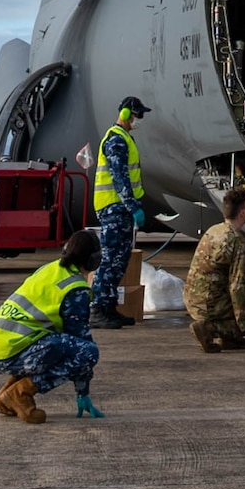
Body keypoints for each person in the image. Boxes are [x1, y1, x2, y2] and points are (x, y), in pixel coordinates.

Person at [0, 227, 105, 421]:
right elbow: (82, 343)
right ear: (92, 260)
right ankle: (20, 394)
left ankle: (5, 395)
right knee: (87, 352)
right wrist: (82, 393)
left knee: (51, 345)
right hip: (9, 352)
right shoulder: (75, 289)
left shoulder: (50, 269)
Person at [184, 187, 245, 352]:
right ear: (241, 213)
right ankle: (210, 329)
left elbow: (228, 262)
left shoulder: (214, 231)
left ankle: (229, 340)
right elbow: (237, 287)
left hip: (193, 298)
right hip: (212, 303)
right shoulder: (237, 241)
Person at [91, 97, 149, 329]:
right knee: (111, 259)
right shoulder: (116, 140)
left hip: (119, 208)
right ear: (126, 114)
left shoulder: (125, 139)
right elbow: (119, 176)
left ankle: (109, 306)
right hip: (114, 207)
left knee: (120, 259)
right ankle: (98, 309)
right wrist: (132, 205)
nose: (139, 120)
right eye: (138, 115)